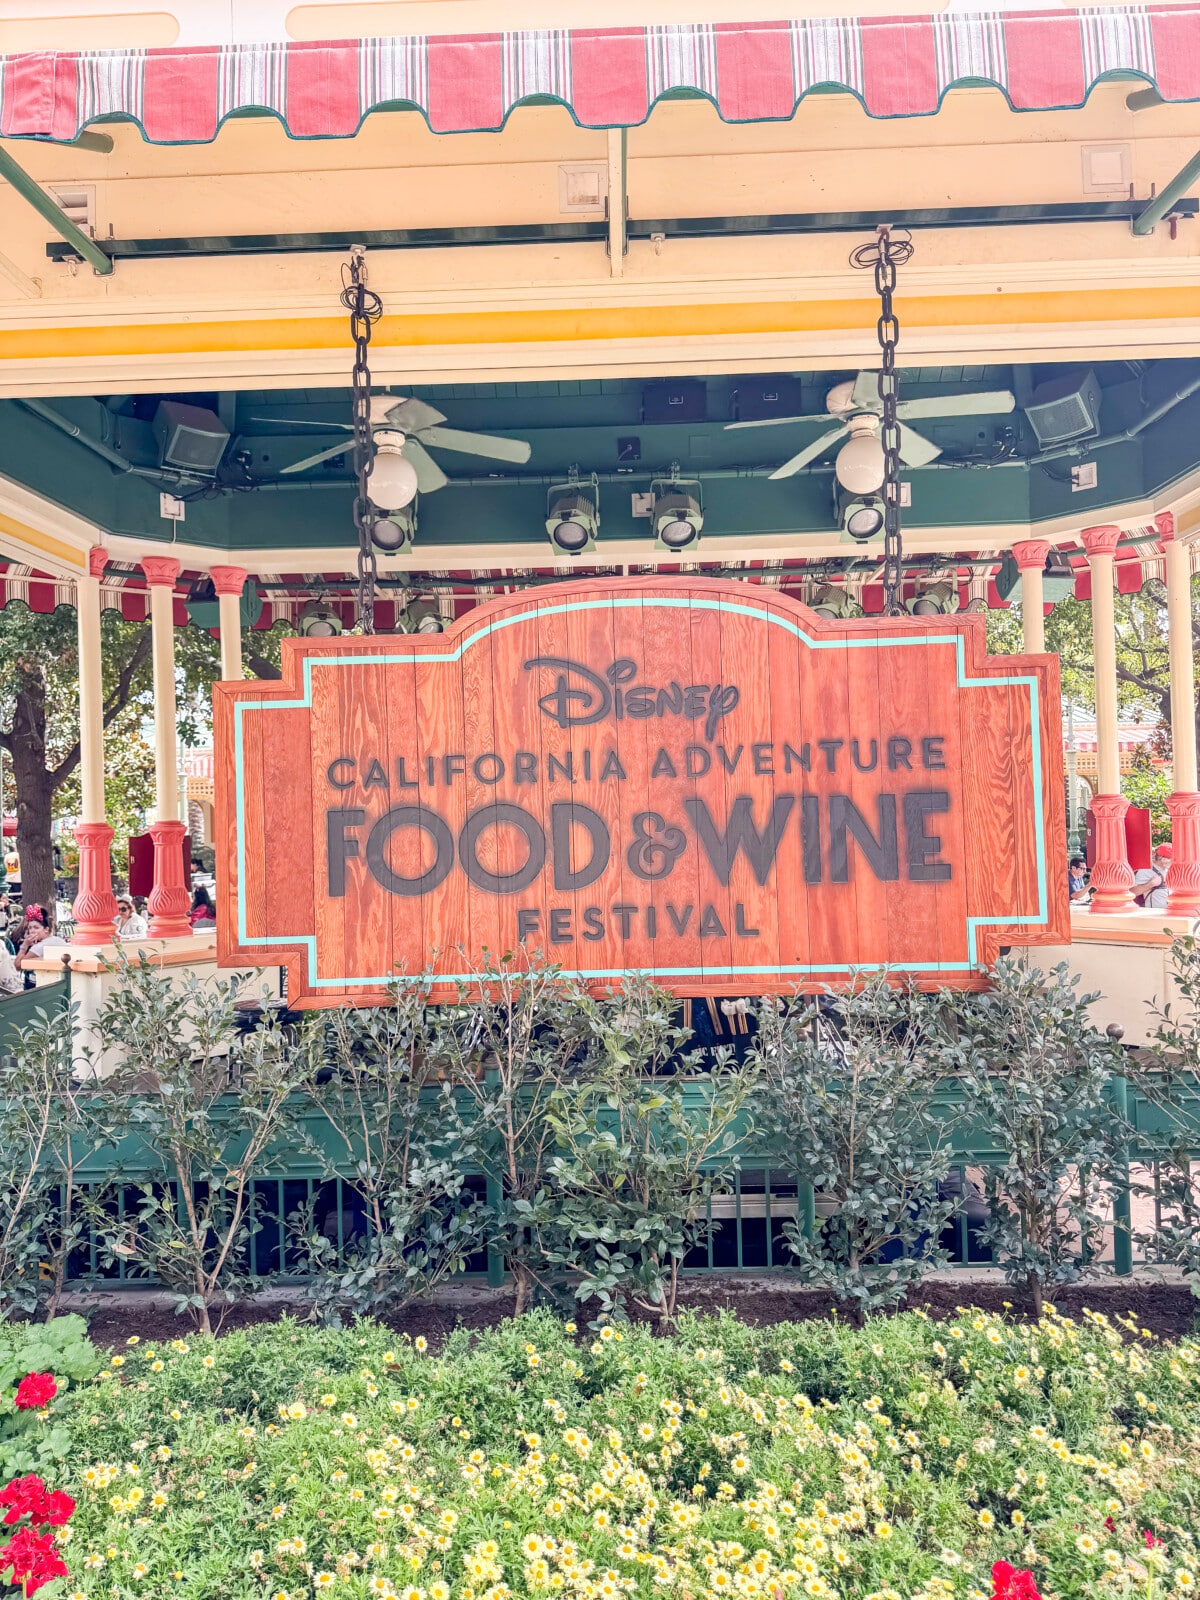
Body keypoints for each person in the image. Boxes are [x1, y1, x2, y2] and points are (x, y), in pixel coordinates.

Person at [1133, 843, 1172, 910]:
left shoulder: (1170, 870)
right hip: (1154, 914)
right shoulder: (1145, 871)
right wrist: (1151, 884)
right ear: (1161, 858)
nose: (1173, 861)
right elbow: (1133, 892)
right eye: (1170, 858)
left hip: (1171, 913)